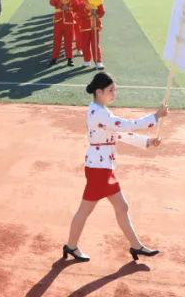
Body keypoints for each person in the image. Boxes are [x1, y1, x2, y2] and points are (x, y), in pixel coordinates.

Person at [62, 73, 166, 263]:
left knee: (120, 206)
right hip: (99, 170)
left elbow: (120, 133)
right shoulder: (98, 113)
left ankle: (135, 246)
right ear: (99, 91)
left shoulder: (101, 111)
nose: (114, 94)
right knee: (86, 210)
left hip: (103, 168)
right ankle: (71, 246)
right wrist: (155, 117)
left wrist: (148, 142)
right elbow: (127, 125)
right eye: (111, 90)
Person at [73, 0, 105, 69]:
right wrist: (90, 14)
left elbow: (102, 12)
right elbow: (77, 16)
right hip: (84, 28)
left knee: (96, 45)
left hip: (95, 27)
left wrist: (96, 15)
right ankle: (87, 61)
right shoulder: (81, 5)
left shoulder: (97, 2)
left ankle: (98, 62)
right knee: (85, 45)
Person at [49, 0, 79, 67]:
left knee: (68, 41)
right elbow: (51, 2)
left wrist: (69, 8)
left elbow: (76, 8)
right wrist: (61, 4)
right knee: (57, 41)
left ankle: (70, 59)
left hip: (69, 22)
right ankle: (54, 58)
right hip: (58, 22)